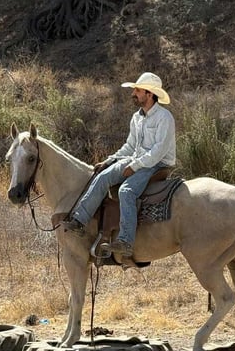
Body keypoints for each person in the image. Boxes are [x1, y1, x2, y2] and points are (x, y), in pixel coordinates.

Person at [62, 72, 176, 258]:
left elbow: (158, 151)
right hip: (138, 159)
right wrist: (109, 160)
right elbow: (130, 146)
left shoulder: (165, 117)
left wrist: (135, 166)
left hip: (158, 163)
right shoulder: (137, 117)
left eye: (138, 90)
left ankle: (126, 241)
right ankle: (79, 221)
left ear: (149, 94)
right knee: (103, 177)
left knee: (126, 191)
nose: (133, 94)